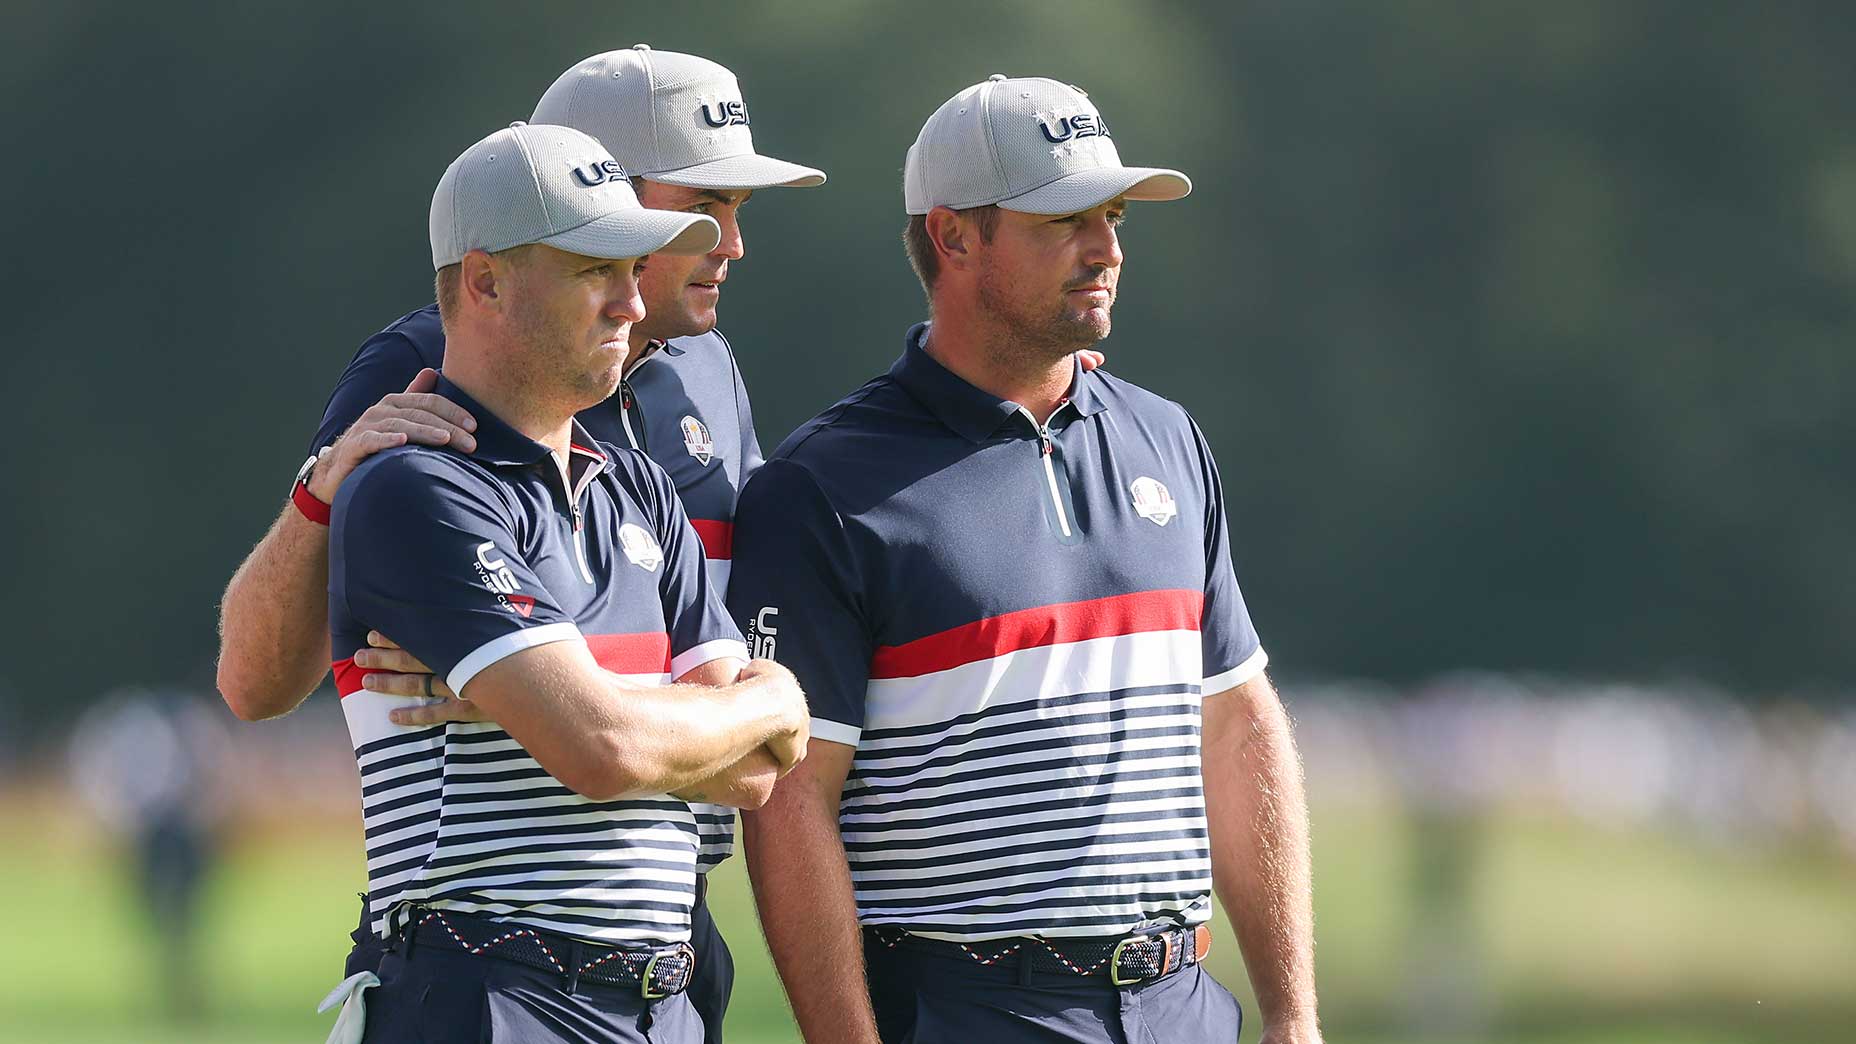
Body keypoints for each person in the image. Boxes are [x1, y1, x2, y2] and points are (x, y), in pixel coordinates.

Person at [214, 46, 824, 1042]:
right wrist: (321, 494)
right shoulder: (424, 369)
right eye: (705, 204)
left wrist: (642, 701)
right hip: (497, 956)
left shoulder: (708, 372)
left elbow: (747, 739)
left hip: (670, 918)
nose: (730, 244)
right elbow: (253, 682)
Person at [728, 76, 1321, 1044]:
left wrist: (1293, 1017)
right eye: (1065, 221)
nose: (1108, 250)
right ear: (954, 237)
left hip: (1180, 1004)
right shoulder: (823, 486)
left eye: (1114, 215)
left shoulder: (1165, 439)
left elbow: (1235, 724)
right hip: (969, 1010)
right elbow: (793, 803)